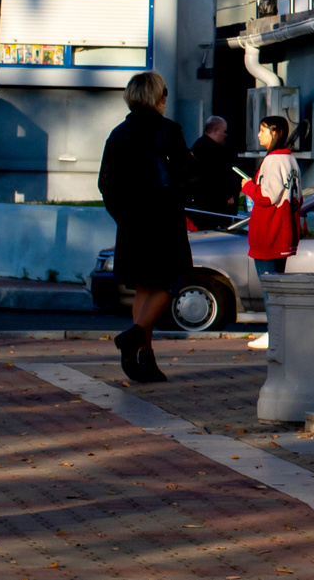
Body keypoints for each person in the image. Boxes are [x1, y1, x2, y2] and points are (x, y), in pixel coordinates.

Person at [97, 72, 194, 384]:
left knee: (144, 287)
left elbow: (106, 184)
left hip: (131, 223)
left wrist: (123, 216)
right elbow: (187, 174)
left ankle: (144, 356)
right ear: (158, 96)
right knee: (169, 283)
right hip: (163, 219)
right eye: (164, 92)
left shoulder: (118, 133)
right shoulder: (168, 131)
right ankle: (135, 336)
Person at [243, 117, 299, 275]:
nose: (258, 135)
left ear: (274, 133)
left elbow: (268, 197)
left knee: (271, 293)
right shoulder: (290, 159)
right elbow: (298, 198)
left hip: (269, 235)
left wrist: (248, 187)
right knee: (278, 291)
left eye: (262, 130)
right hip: (283, 233)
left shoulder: (272, 160)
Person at [188, 116, 240, 223]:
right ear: (215, 131)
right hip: (212, 209)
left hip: (210, 207)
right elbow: (213, 177)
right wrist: (227, 196)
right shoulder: (209, 150)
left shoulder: (200, 146)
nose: (226, 135)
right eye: (224, 131)